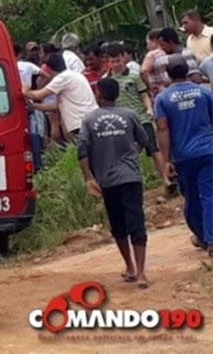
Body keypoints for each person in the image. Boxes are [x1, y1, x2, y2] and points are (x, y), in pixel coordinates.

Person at [78, 78, 153, 289]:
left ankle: (129, 266)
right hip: (131, 177)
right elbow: (145, 140)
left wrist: (88, 178)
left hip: (107, 180)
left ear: (99, 95)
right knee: (136, 221)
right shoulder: (129, 115)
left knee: (118, 224)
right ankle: (141, 273)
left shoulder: (89, 119)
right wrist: (131, 154)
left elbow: (82, 150)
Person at [155, 56, 213, 255]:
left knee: (191, 197)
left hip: (182, 157)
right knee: (209, 195)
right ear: (187, 70)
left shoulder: (162, 99)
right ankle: (211, 240)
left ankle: (202, 237)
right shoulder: (204, 93)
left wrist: (166, 160)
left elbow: (162, 129)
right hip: (207, 151)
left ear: (168, 74)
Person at [105, 44, 176, 197]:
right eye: (113, 61)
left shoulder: (134, 75)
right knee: (130, 154)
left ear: (124, 58)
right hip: (122, 122)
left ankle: (166, 180)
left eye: (118, 60)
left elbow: (143, 94)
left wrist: (149, 108)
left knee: (153, 149)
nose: (116, 64)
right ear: (108, 61)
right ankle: (135, 184)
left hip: (141, 118)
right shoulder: (107, 80)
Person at [23, 53, 97, 139]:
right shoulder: (75, 75)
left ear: (49, 69)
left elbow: (38, 95)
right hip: (92, 119)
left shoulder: (63, 78)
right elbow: (56, 106)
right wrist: (33, 106)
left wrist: (25, 90)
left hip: (80, 123)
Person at [15, 43, 45, 170]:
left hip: (13, 104)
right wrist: (38, 91)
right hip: (28, 102)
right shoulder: (28, 65)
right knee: (34, 133)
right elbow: (45, 75)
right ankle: (38, 164)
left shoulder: (7, 66)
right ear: (21, 53)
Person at [150, 27, 198, 92]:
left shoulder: (185, 54)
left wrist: (173, 83)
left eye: (162, 45)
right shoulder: (166, 57)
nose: (161, 48)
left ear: (170, 42)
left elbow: (195, 78)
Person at [140, 29, 167, 96]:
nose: (147, 46)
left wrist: (150, 85)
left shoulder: (152, 55)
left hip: (158, 90)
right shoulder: (166, 52)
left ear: (154, 40)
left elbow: (143, 71)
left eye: (148, 43)